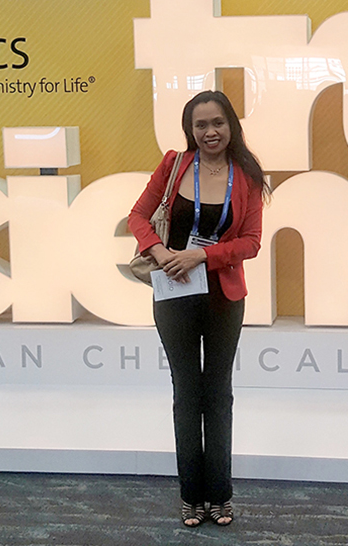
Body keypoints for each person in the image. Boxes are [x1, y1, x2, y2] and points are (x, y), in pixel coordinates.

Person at [128, 90, 268, 527]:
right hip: (174, 296)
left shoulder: (246, 175)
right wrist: (157, 250)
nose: (210, 132)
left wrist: (201, 256)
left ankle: (220, 494)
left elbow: (251, 243)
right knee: (187, 394)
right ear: (190, 129)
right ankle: (192, 494)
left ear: (232, 126)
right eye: (201, 125)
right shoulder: (174, 165)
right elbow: (137, 216)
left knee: (218, 394)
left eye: (218, 123)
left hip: (223, 298)